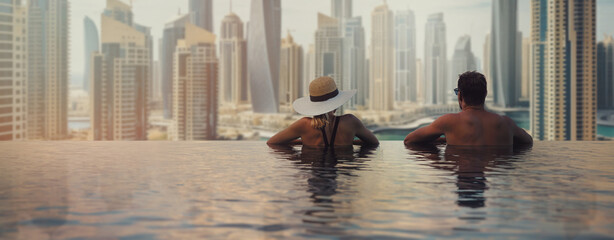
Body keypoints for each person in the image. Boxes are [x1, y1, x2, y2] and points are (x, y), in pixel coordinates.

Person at [404, 71, 533, 146]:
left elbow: (409, 140)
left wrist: (444, 140)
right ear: (485, 94)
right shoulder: (506, 123)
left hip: (464, 172)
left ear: (460, 95)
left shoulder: (449, 122)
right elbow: (528, 142)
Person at [267, 76, 379, 147]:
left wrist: (303, 142)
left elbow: (272, 142)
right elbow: (374, 142)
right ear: (336, 104)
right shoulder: (351, 122)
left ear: (313, 106)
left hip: (315, 176)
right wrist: (351, 142)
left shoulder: (304, 125)